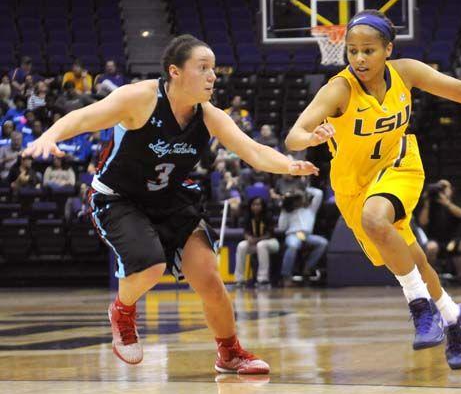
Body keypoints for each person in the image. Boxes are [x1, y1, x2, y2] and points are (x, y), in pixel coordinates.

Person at [24, 34, 318, 374]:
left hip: (171, 197)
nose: (212, 76)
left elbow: (251, 150)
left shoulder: (208, 115)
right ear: (175, 72)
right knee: (150, 266)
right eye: (203, 68)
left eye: (213, 70)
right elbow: (83, 118)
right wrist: (48, 137)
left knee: (209, 278)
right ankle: (122, 311)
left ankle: (230, 353)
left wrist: (288, 165)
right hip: (120, 197)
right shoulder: (140, 98)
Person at [284, 9, 461, 369]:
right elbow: (294, 136)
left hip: (400, 165)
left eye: (368, 50)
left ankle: (420, 310)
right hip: (354, 184)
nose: (359, 58)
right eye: (352, 51)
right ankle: (452, 316)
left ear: (387, 48)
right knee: (413, 259)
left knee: (376, 217)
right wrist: (312, 135)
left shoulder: (407, 72)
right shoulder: (337, 89)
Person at [277, 186, 328, 286]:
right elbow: (282, 228)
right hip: (293, 234)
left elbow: (319, 193)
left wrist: (304, 189)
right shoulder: (288, 212)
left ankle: (307, 267)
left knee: (323, 243)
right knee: (293, 246)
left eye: (299, 198)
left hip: (307, 235)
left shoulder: (310, 209)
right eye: (296, 199)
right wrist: (284, 210)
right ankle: (286, 276)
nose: (299, 201)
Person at [416, 179, 461, 269]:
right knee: (431, 247)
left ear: (451, 190)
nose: (442, 190)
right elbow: (423, 222)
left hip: (453, 239)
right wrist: (427, 203)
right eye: (439, 187)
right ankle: (431, 274)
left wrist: (446, 203)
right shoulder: (430, 203)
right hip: (434, 239)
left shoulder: (455, 200)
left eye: (444, 187)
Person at [234, 197, 279, 287]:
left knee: (261, 245)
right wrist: (248, 238)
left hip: (271, 243)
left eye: (258, 205)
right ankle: (239, 279)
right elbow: (246, 232)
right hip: (255, 243)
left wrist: (256, 240)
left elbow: (269, 234)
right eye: (253, 205)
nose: (256, 207)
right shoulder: (248, 216)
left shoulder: (268, 216)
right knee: (241, 245)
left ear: (262, 206)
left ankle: (263, 279)